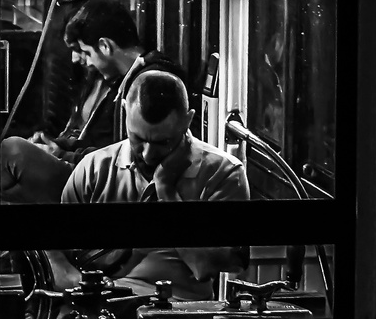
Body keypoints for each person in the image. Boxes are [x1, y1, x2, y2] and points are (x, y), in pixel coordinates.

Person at [57, 70, 247, 299]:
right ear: (125, 110)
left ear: (188, 120)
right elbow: (58, 254)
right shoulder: (94, 169)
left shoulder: (222, 174)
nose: (147, 155)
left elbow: (204, 265)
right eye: (138, 139)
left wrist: (166, 192)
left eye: (162, 142)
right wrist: (78, 284)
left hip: (176, 313)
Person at [0, 0, 187, 204]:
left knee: (11, 151)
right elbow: (101, 142)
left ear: (105, 46)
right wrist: (59, 146)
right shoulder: (121, 80)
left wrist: (62, 154)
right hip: (98, 170)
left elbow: (132, 156)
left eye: (86, 52)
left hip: (116, 183)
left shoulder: (148, 82)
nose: (80, 60)